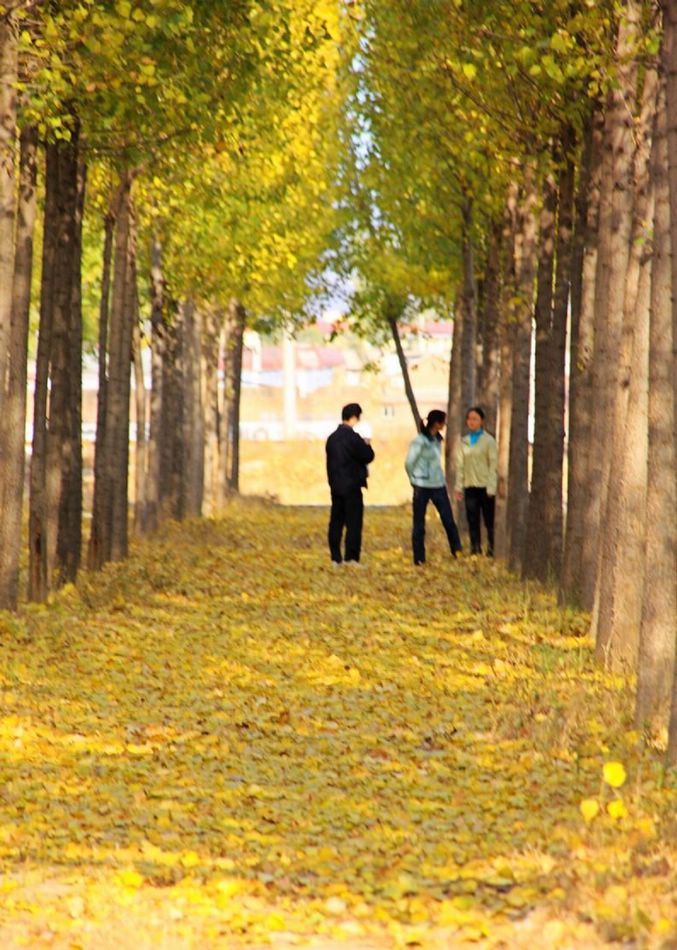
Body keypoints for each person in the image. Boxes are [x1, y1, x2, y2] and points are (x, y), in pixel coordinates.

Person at [404, 409, 462, 566]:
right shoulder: (420, 441)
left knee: (448, 520)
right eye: (443, 421)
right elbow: (409, 462)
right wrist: (413, 479)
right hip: (422, 486)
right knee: (419, 524)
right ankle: (419, 559)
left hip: (438, 485)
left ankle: (457, 552)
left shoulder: (437, 439)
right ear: (437, 423)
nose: (445, 424)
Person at [325, 402, 375, 566]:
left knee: (336, 521)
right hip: (352, 485)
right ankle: (351, 558)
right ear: (354, 417)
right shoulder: (353, 438)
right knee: (353, 523)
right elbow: (368, 456)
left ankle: (335, 557)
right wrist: (367, 443)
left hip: (336, 485)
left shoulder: (331, 439)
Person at [454, 406, 497, 556]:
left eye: (475, 419)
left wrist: (492, 487)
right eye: (469, 419)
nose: (471, 422)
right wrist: (458, 487)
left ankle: (491, 550)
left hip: (485, 486)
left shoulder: (489, 441)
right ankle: (475, 549)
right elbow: (459, 465)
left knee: (489, 520)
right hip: (470, 486)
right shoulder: (464, 441)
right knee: (472, 519)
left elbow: (493, 465)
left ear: (482, 421)